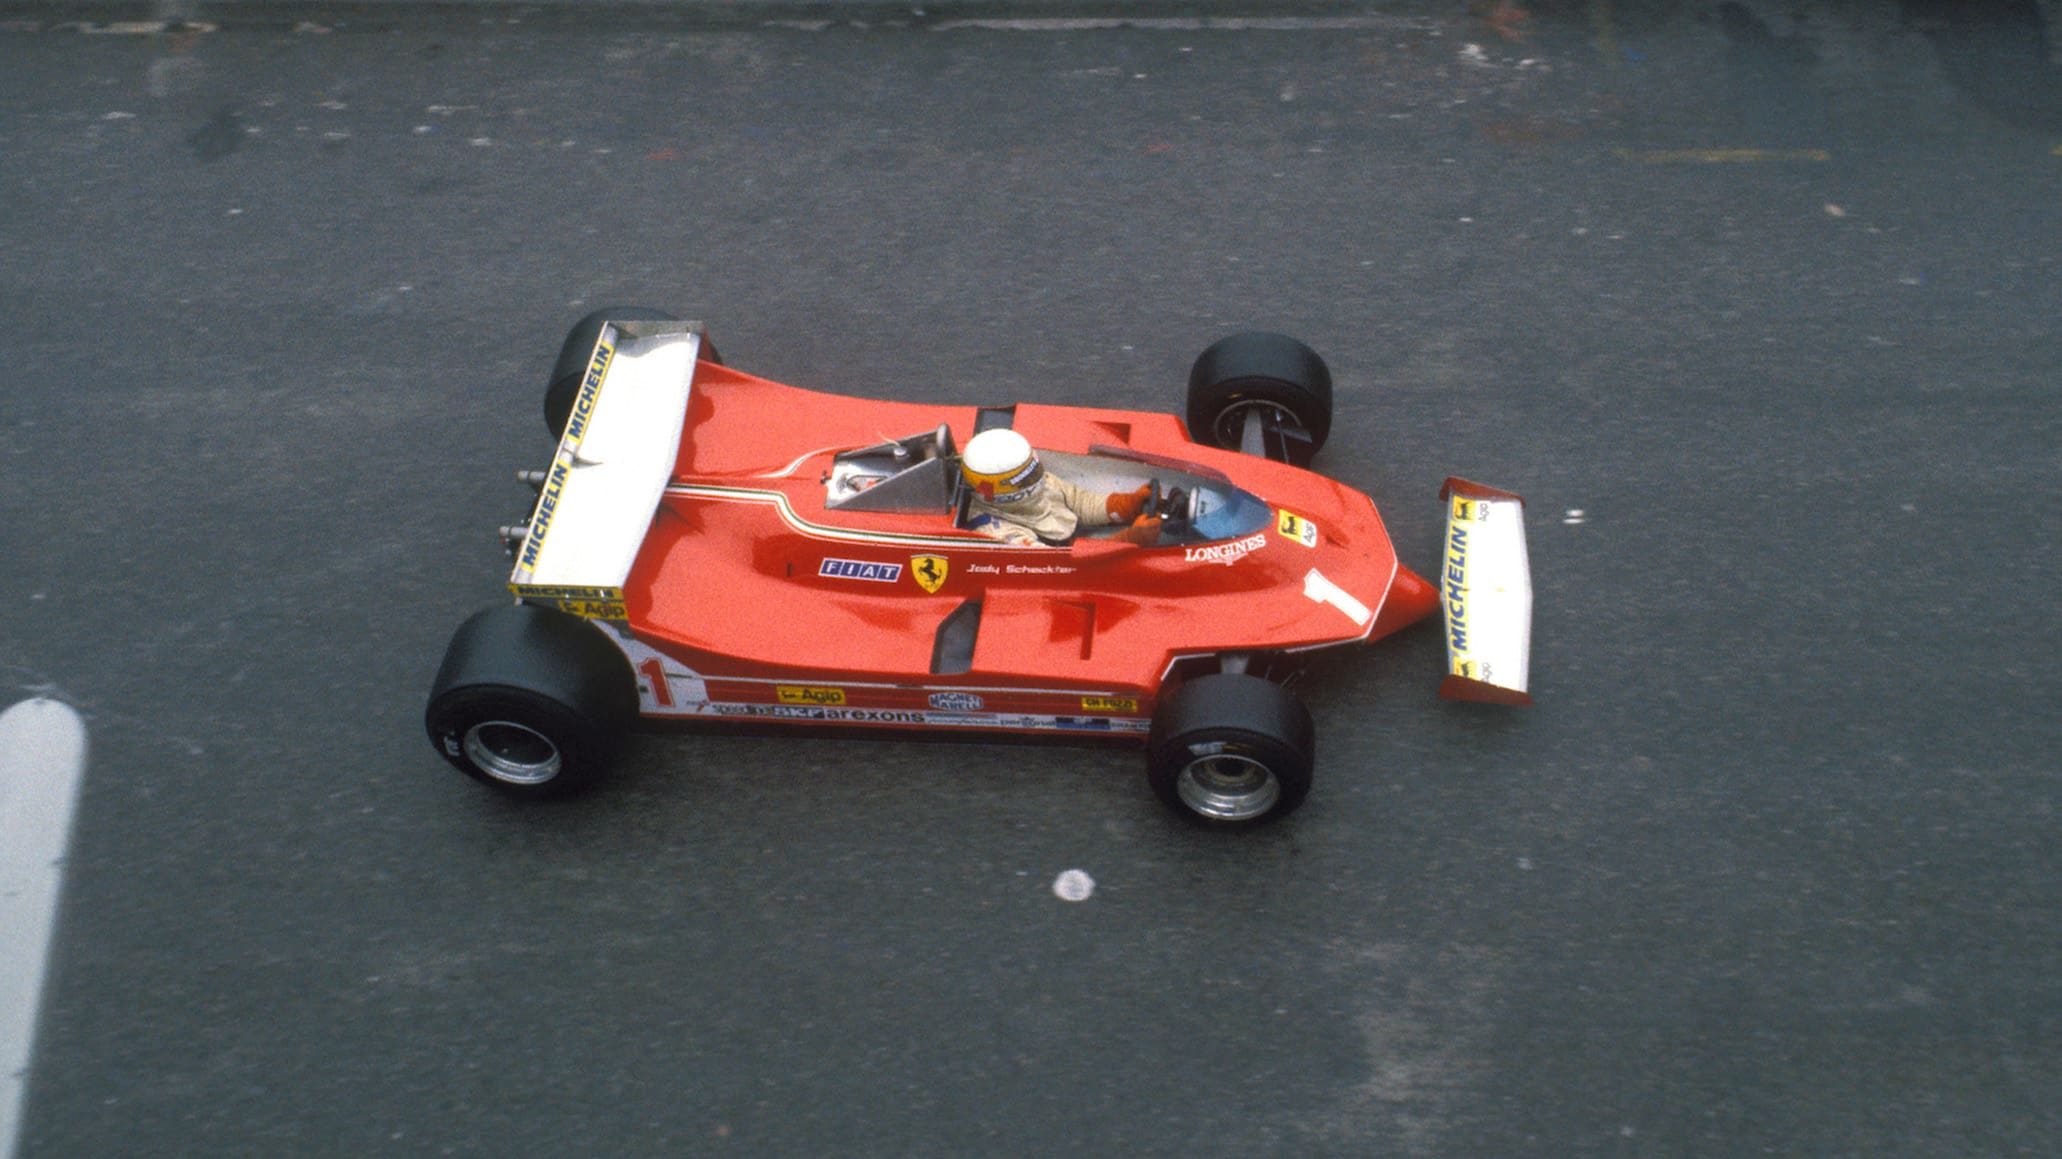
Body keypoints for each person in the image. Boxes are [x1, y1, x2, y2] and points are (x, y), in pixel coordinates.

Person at [960, 428, 1159, 546]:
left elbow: (1079, 502)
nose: (1036, 479)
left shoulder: (1038, 483)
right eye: (1024, 479)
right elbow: (1057, 567)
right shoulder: (998, 534)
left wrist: (1122, 505)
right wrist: (1128, 540)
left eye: (1033, 470)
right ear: (992, 490)